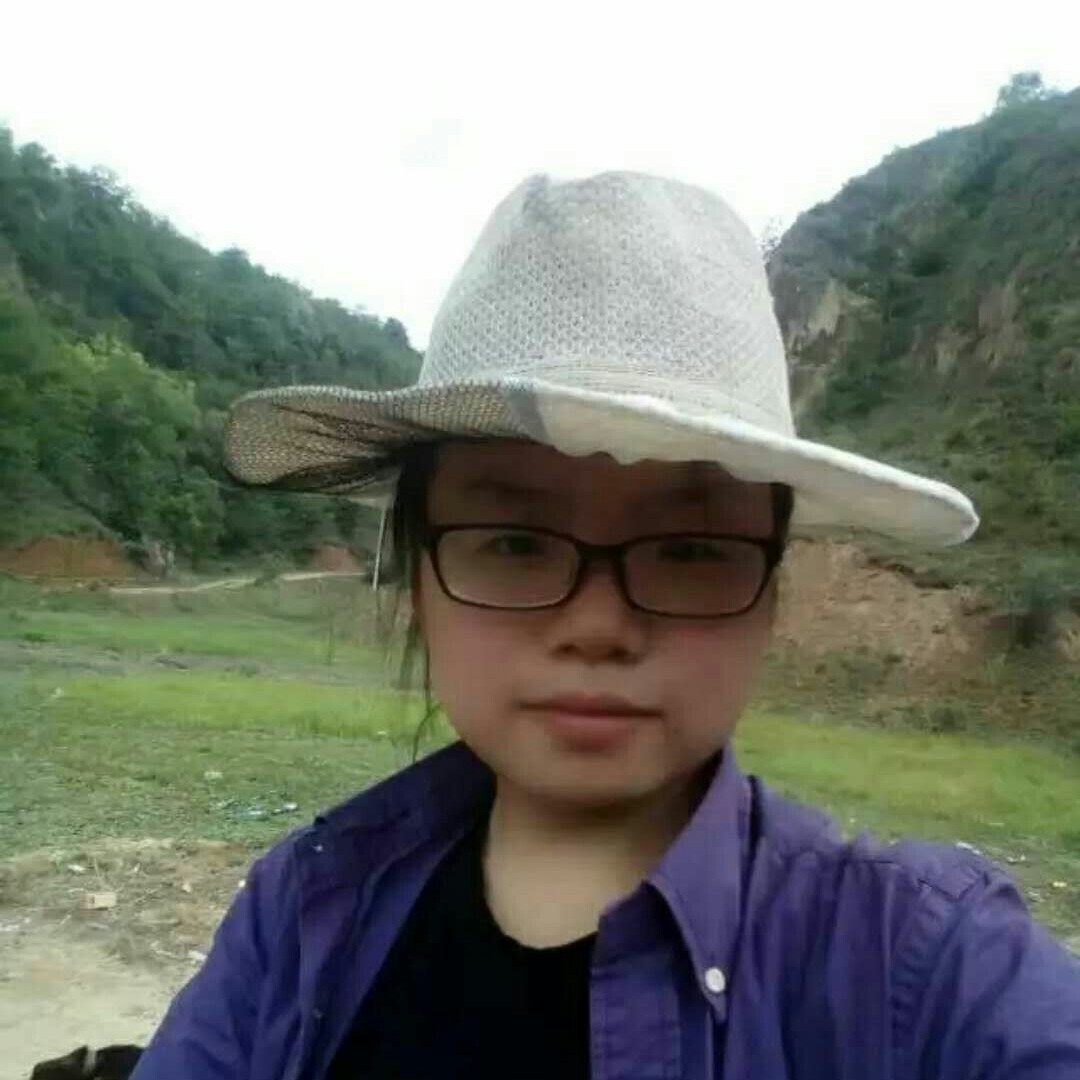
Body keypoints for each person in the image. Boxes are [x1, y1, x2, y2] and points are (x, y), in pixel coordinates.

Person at [131, 172, 1080, 1078]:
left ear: (770, 595)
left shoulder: (921, 968)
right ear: (416, 578)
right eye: (513, 543)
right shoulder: (299, 913)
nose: (597, 626)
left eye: (691, 550)